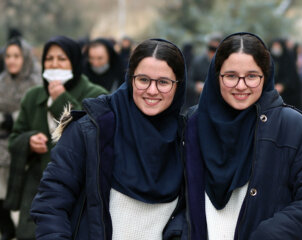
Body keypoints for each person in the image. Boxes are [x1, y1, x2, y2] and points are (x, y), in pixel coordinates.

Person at [30, 39, 187, 239]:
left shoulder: (186, 140)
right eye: (143, 79)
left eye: (163, 82)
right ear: (130, 79)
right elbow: (51, 203)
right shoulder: (91, 130)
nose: (152, 90)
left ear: (179, 85)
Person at [185, 32, 302, 239]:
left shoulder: (293, 127)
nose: (241, 85)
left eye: (252, 76)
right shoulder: (191, 124)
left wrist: (269, 234)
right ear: (216, 75)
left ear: (266, 76)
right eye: (230, 76)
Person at [4, 36, 108, 240]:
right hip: (36, 187)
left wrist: (61, 100)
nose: (54, 64)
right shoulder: (33, 96)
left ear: (75, 62)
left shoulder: (96, 94)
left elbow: (95, 136)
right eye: (49, 59)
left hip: (78, 189)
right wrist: (29, 141)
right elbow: (14, 139)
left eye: (61, 59)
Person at [0, 38, 41, 240]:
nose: (11, 61)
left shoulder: (36, 82)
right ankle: (7, 231)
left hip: (27, 147)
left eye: (16, 56)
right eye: (8, 56)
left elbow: (34, 113)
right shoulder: (2, 81)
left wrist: (9, 118)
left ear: (24, 57)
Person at [186, 33, 222, 109]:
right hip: (200, 103)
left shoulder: (225, 63)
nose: (213, 52)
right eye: (211, 48)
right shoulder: (198, 61)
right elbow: (188, 81)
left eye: (217, 49)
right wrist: (196, 87)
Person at [269, 38, 302, 110]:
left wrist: (283, 85)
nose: (276, 48)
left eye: (278, 46)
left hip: (289, 93)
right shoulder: (269, 58)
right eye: (274, 46)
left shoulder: (288, 57)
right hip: (272, 92)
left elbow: (292, 75)